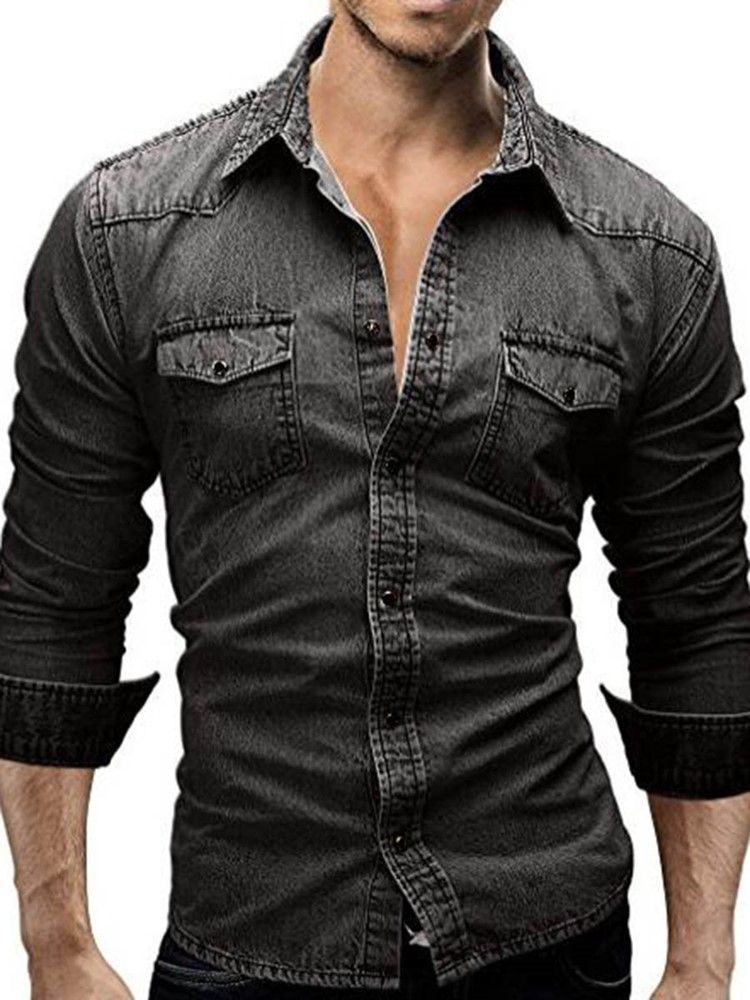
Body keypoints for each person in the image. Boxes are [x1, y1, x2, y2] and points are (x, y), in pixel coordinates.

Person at [1, 2, 749, 997]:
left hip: (548, 938)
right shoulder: (126, 232)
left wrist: (701, 960)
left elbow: (696, 622)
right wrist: (56, 941)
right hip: (252, 936)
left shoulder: (649, 252)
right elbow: (53, 605)